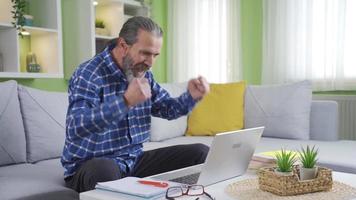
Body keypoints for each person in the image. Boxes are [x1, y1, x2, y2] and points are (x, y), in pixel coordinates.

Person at [61, 16, 210, 193]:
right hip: (92, 164)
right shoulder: (89, 73)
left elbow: (168, 109)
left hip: (134, 161)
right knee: (103, 170)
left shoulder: (144, 74)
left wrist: (191, 97)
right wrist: (125, 102)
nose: (150, 62)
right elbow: (76, 127)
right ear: (123, 45)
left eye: (155, 55)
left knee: (201, 153)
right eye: (145, 53)